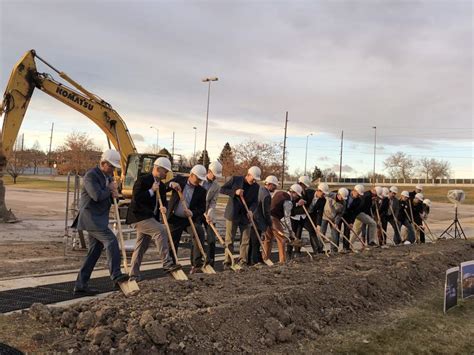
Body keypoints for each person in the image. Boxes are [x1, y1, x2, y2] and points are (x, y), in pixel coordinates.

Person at [73, 149, 129, 295]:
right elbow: (96, 196)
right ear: (102, 163)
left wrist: (115, 195)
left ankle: (81, 284)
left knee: (94, 252)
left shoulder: (108, 177)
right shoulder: (91, 176)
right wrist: (109, 190)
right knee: (111, 241)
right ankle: (116, 275)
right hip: (90, 218)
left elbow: (108, 197)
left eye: (114, 167)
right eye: (111, 166)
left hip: (100, 218)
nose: (113, 170)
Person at [126, 157, 178, 282]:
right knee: (161, 230)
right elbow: (136, 198)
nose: (166, 174)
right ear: (157, 168)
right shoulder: (143, 180)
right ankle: (167, 263)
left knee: (141, 247)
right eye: (165, 171)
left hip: (150, 218)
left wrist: (164, 208)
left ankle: (133, 275)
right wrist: (150, 191)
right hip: (139, 217)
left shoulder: (160, 185)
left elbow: (163, 201)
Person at [166, 165, 207, 273]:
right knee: (172, 241)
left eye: (201, 180)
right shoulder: (179, 180)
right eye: (198, 179)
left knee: (199, 232)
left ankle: (196, 264)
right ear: (192, 175)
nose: (199, 181)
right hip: (175, 217)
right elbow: (164, 187)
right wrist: (171, 184)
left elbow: (202, 208)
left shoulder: (202, 191)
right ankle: (172, 265)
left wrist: (192, 212)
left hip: (189, 219)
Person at [220, 166, 261, 267]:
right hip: (232, 214)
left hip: (246, 215)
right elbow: (222, 189)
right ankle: (228, 261)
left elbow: (255, 202)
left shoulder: (256, 187)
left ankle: (243, 261)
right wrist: (235, 192)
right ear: (248, 174)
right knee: (230, 240)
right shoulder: (236, 180)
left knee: (245, 240)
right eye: (253, 178)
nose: (254, 180)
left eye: (256, 178)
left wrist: (251, 211)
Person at [266, 184, 304, 263]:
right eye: (297, 195)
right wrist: (290, 231)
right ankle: (282, 261)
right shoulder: (288, 201)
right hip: (273, 218)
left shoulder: (279, 193)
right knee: (281, 239)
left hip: (267, 217)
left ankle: (265, 258)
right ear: (293, 192)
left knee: (268, 239)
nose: (297, 197)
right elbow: (287, 217)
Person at [250, 175, 278, 265]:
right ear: (269, 184)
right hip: (258, 220)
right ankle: (255, 260)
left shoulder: (260, 189)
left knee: (252, 241)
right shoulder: (266, 196)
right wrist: (270, 224)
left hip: (252, 217)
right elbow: (266, 212)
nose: (275, 187)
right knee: (256, 242)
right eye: (274, 185)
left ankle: (252, 259)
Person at [287, 176, 314, 259]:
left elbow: (306, 201)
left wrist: (304, 201)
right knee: (292, 235)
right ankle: (289, 253)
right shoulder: (293, 190)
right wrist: (297, 204)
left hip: (301, 216)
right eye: (304, 186)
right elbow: (290, 205)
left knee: (298, 235)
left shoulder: (304, 192)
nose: (305, 188)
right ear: (301, 183)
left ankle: (297, 252)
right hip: (293, 217)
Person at [202, 161, 223, 267]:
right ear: (209, 171)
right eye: (214, 175)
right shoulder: (200, 181)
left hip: (208, 213)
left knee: (211, 239)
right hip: (196, 212)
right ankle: (196, 263)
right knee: (197, 237)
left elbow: (213, 202)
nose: (215, 178)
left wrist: (209, 214)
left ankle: (210, 262)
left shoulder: (216, 186)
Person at [321, 187, 348, 253]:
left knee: (335, 233)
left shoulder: (343, 203)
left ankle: (334, 250)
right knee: (322, 232)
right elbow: (321, 197)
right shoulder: (330, 195)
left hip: (334, 218)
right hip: (324, 216)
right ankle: (319, 249)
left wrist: (336, 222)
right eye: (341, 197)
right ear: (338, 194)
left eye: (343, 198)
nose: (342, 199)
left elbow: (340, 214)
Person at [305, 182, 329, 254]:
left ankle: (317, 250)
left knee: (312, 230)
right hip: (302, 214)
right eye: (323, 193)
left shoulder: (323, 200)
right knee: (298, 232)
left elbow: (320, 213)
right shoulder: (308, 192)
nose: (324, 195)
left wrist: (318, 225)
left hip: (312, 215)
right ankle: (296, 251)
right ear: (319, 190)